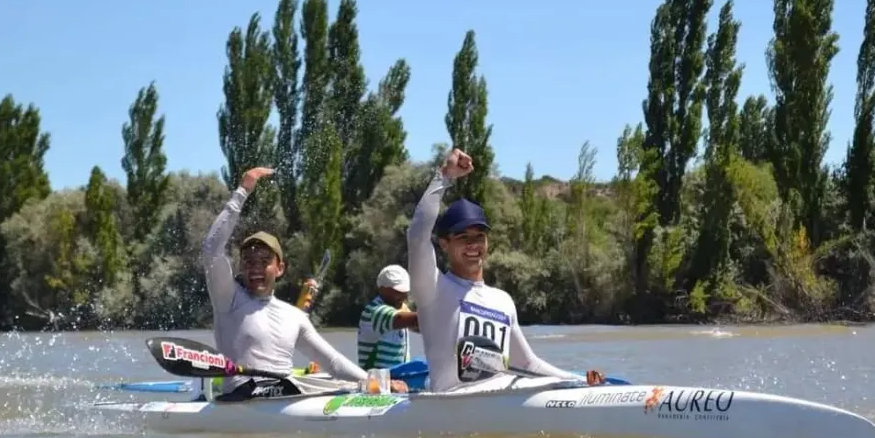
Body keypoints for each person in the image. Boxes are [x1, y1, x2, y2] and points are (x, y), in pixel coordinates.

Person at [406, 148, 605, 392]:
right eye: (462, 237)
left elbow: (528, 363)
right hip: (452, 404)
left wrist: (580, 382)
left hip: (499, 399)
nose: (473, 245)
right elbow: (417, 235)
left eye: (479, 236)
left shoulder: (502, 301)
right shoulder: (433, 289)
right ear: (445, 243)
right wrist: (444, 176)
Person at [201, 166, 407, 401]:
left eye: (264, 261)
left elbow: (332, 361)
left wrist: (373, 382)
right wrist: (243, 191)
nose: (255, 268)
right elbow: (211, 249)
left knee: (348, 383)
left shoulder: (294, 316)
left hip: (285, 393)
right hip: (243, 394)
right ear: (241, 267)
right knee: (301, 384)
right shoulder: (228, 298)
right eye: (248, 261)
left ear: (280, 268)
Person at [357, 265, 420, 370]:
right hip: (376, 381)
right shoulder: (375, 311)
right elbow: (415, 320)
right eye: (397, 291)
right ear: (382, 289)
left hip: (398, 378)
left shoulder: (400, 307)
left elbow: (420, 326)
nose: (403, 296)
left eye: (404, 291)